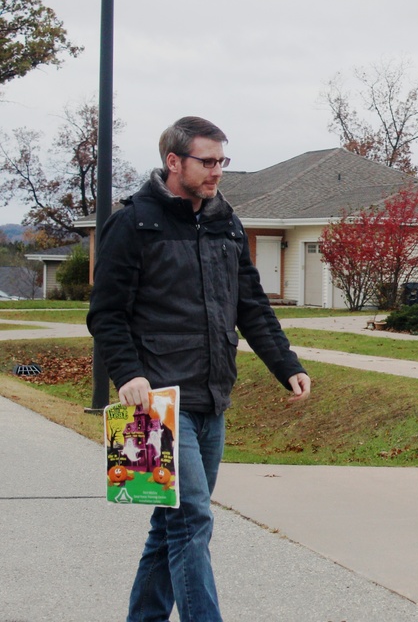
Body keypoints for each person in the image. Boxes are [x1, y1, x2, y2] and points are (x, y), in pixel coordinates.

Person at [88, 116, 311, 621]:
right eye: (207, 162)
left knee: (169, 525)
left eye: (221, 162)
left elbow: (250, 304)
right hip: (154, 405)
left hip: (212, 397)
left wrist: (286, 364)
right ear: (174, 161)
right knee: (192, 520)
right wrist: (128, 374)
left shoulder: (224, 220)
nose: (217, 172)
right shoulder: (134, 223)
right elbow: (106, 314)